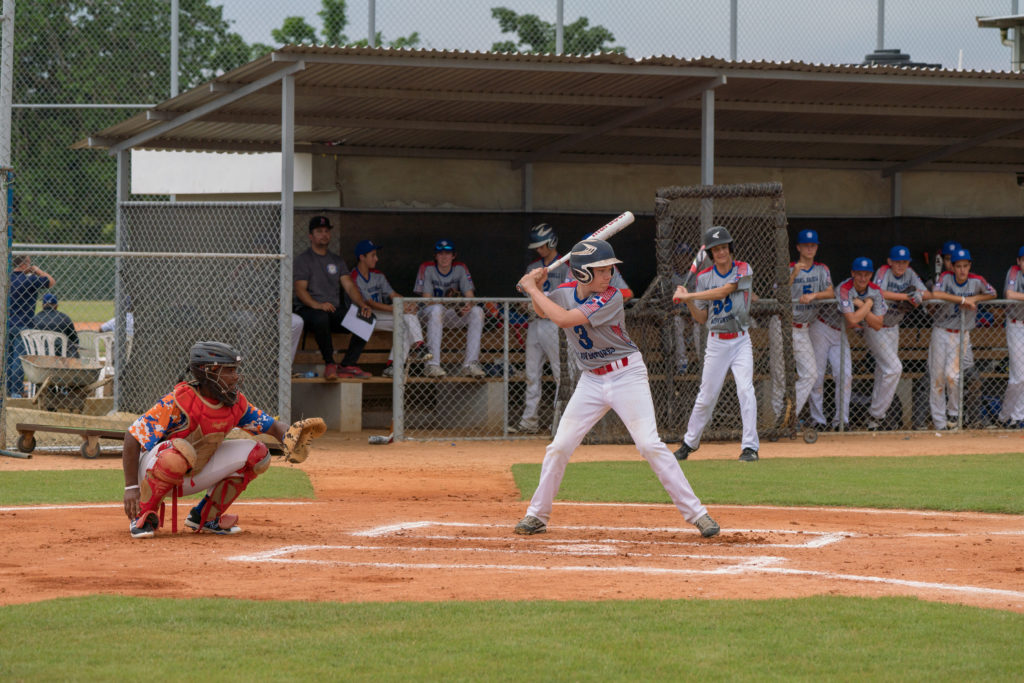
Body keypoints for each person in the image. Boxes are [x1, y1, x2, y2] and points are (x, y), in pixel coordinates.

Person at [513, 237, 719, 538]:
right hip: (592, 380)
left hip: (626, 376)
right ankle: (537, 515)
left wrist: (532, 288)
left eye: (610, 268)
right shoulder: (564, 292)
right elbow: (544, 311)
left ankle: (698, 514)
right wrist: (538, 288)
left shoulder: (610, 297)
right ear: (582, 272)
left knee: (649, 445)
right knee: (559, 446)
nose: (608, 275)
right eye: (601, 270)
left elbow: (565, 319)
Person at [121, 341, 289, 538]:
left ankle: (206, 517)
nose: (235, 377)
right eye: (229, 371)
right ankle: (143, 514)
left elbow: (274, 427)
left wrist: (291, 436)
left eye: (235, 370)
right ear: (208, 371)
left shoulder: (234, 403)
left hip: (195, 471)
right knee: (180, 451)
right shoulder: (178, 401)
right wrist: (131, 488)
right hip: (154, 470)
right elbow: (133, 436)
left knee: (258, 454)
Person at [673, 226, 759, 462]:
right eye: (716, 249)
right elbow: (701, 318)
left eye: (724, 247)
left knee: (745, 390)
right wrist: (688, 301)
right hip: (717, 342)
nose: (721, 252)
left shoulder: (744, 268)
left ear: (730, 248)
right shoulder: (703, 278)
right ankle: (689, 443)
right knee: (706, 396)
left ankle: (750, 447)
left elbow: (725, 291)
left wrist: (689, 296)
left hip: (741, 340)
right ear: (711, 253)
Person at [293, 215, 374, 380]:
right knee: (321, 316)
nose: (324, 234)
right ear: (311, 236)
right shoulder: (303, 259)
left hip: (332, 310)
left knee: (367, 318)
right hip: (309, 310)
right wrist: (317, 305)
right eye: (319, 231)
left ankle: (347, 365)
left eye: (326, 231)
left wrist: (362, 304)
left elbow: (350, 286)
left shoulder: (336, 260)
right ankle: (329, 363)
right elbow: (300, 290)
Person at [927, 247, 996, 430]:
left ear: (970, 265)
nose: (962, 270)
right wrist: (963, 301)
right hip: (941, 331)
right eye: (958, 266)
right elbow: (936, 293)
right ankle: (939, 422)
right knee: (937, 379)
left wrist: (975, 298)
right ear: (953, 266)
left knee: (953, 376)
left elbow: (993, 293)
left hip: (961, 334)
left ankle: (953, 414)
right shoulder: (946, 278)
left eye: (966, 266)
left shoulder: (976, 280)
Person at [511, 223, 567, 433]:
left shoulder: (564, 266)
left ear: (551, 242)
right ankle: (529, 422)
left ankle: (561, 422)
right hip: (535, 323)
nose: (539, 250)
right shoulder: (532, 267)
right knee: (531, 375)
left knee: (560, 374)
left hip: (555, 324)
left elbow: (567, 296)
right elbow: (525, 294)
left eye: (542, 246)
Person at [868, 245, 932, 429]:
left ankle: (873, 422)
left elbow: (926, 293)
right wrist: (905, 296)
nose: (901, 265)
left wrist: (917, 296)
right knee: (894, 368)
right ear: (890, 262)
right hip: (876, 326)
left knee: (883, 372)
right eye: (897, 261)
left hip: (893, 326)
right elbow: (878, 292)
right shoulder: (883, 271)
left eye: (904, 261)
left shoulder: (910, 273)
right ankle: (877, 414)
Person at [350, 239, 432, 377]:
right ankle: (415, 349)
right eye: (373, 255)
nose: (377, 258)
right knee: (404, 318)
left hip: (380, 314)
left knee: (407, 318)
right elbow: (370, 303)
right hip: (361, 317)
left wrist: (406, 304)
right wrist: (399, 309)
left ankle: (397, 363)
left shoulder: (378, 275)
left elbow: (393, 295)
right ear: (362, 257)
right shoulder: (354, 276)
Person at [778, 229, 834, 426]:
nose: (810, 248)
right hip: (782, 325)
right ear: (799, 248)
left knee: (811, 374)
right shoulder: (789, 268)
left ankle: (788, 417)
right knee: (779, 375)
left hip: (802, 328)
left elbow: (830, 292)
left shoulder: (822, 269)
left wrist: (814, 296)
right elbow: (778, 293)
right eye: (806, 245)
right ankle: (777, 422)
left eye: (813, 245)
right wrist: (794, 274)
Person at [413, 238, 485, 378]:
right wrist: (451, 304)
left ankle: (470, 364)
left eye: (448, 253)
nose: (444, 257)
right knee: (437, 309)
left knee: (477, 311)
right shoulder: (428, 268)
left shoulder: (460, 268)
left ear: (453, 255)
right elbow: (426, 300)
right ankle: (432, 365)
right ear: (435, 256)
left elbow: (470, 296)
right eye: (440, 253)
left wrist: (466, 306)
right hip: (428, 314)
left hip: (449, 314)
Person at [830, 257, 888, 428]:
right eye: (859, 274)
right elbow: (852, 319)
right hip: (824, 326)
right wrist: (868, 305)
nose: (863, 278)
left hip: (841, 332)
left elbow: (877, 325)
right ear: (852, 273)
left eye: (866, 274)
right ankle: (818, 421)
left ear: (871, 274)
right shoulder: (844, 287)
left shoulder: (875, 290)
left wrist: (864, 304)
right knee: (817, 378)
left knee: (846, 375)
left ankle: (841, 421)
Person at [6, 256, 55, 396]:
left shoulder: (7, 279)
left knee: (8, 358)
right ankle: (16, 391)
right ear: (25, 264)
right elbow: (51, 281)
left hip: (7, 324)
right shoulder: (29, 280)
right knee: (18, 359)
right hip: (23, 324)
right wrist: (36, 270)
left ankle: (7, 390)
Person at [998, 246, 1024, 428]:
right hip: (1015, 324)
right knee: (1018, 376)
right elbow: (1009, 294)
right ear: (1019, 261)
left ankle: (1015, 417)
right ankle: (1006, 416)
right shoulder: (1014, 272)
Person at [27, 293, 80, 357]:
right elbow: (75, 340)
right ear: (56, 305)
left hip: (39, 354)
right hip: (61, 355)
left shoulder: (34, 319)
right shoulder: (64, 318)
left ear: (43, 305)